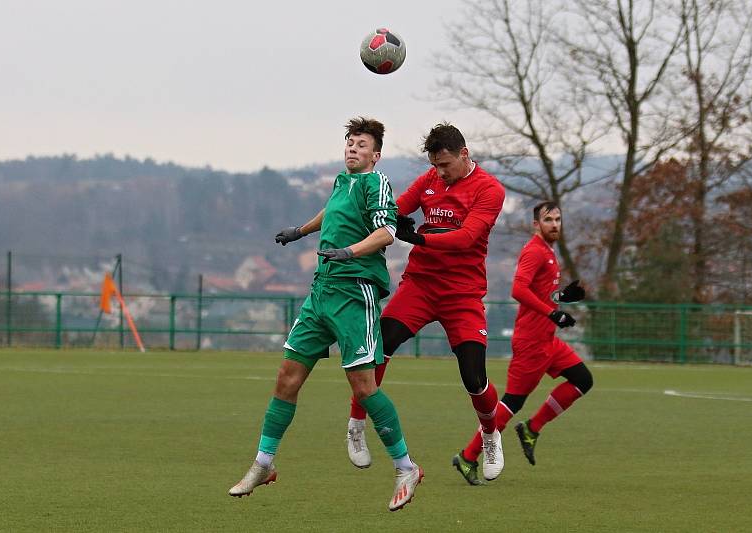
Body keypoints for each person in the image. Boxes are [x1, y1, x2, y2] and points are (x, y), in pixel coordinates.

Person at [228, 117, 423, 512]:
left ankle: (406, 467)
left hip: (355, 294)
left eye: (361, 144)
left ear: (376, 155)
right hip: (322, 292)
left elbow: (388, 231)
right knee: (287, 378)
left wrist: (350, 252)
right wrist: (301, 231)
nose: (352, 148)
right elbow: (331, 211)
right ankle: (263, 464)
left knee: (364, 388)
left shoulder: (376, 183)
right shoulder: (341, 181)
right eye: (349, 142)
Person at [344, 123, 507, 481]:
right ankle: (356, 424)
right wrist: (379, 221)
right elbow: (395, 209)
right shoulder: (429, 179)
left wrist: (417, 238)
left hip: (462, 293)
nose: (441, 173)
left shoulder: (490, 190)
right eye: (435, 165)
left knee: (474, 377)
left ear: (464, 154)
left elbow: (467, 238)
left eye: (446, 165)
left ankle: (490, 434)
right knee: (379, 346)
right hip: (421, 285)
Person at [453, 201, 594, 485]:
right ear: (535, 224)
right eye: (548, 219)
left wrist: (562, 298)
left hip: (548, 340)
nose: (554, 224)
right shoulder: (534, 251)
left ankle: (532, 428)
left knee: (582, 379)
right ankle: (468, 456)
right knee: (510, 404)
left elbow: (540, 293)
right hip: (531, 341)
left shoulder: (549, 252)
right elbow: (518, 289)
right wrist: (553, 312)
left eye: (558, 219)